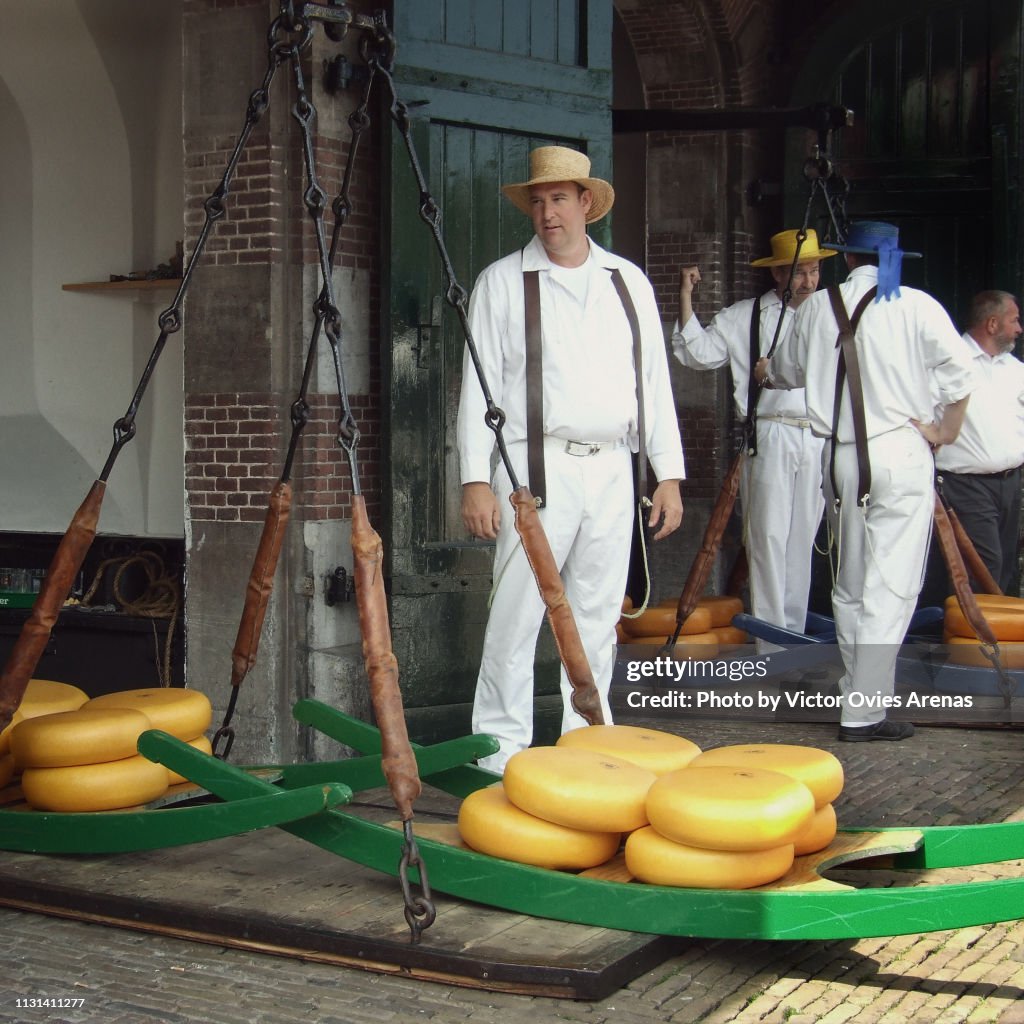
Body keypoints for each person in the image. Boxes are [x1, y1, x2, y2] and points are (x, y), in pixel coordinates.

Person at [457, 145, 686, 772]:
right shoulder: (502, 281)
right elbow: (478, 386)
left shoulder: (627, 281)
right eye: (538, 201)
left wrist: (667, 473)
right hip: (536, 467)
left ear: (587, 203)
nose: (547, 213)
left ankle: (588, 742)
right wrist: (476, 478)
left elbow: (652, 380)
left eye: (558, 199)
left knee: (594, 611)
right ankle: (500, 752)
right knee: (516, 611)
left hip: (613, 466)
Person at [756, 221, 975, 741]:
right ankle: (864, 710)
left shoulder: (815, 307)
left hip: (839, 458)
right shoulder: (916, 304)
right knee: (890, 587)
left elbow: (783, 372)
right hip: (898, 450)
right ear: (892, 258)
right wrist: (944, 430)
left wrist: (765, 368)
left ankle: (860, 693)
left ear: (848, 259)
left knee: (851, 586)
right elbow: (961, 376)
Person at [673, 229, 837, 638]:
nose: (809, 282)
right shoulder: (746, 315)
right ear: (778, 275)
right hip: (770, 434)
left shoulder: (831, 316)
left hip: (816, 437)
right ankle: (770, 644)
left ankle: (792, 638)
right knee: (767, 539)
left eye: (814, 272)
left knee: (802, 540)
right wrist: (686, 296)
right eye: (799, 273)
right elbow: (698, 353)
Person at [934, 291, 1024, 593]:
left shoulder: (1014, 368)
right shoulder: (951, 359)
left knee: (1008, 569)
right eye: (1014, 320)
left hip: (1010, 483)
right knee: (982, 568)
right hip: (966, 484)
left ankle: (1005, 640)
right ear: (992, 324)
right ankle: (973, 639)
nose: (1019, 328)